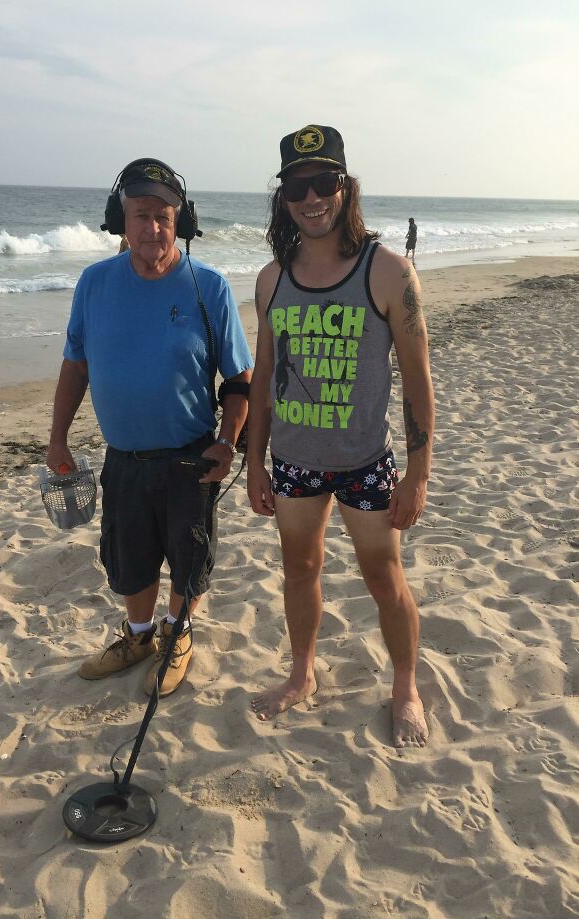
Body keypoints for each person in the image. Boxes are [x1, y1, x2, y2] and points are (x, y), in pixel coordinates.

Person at [247, 125, 434, 747]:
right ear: (284, 198)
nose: (311, 198)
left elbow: (416, 379)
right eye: (297, 186)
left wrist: (418, 472)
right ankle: (301, 675)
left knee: (384, 576)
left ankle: (404, 685)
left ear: (344, 188)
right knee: (299, 569)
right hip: (294, 461)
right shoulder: (272, 279)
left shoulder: (387, 272)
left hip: (365, 460)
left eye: (323, 182)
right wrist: (253, 463)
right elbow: (265, 376)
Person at [47, 159, 253, 697]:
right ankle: (139, 637)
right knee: (128, 557)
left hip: (192, 456)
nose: (152, 229)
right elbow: (76, 365)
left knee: (189, 557)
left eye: (163, 216)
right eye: (141, 216)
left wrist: (228, 442)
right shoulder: (94, 284)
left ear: (180, 220)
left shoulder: (209, 287)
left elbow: (238, 378)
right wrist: (57, 438)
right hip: (124, 457)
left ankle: (178, 634)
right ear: (121, 219)